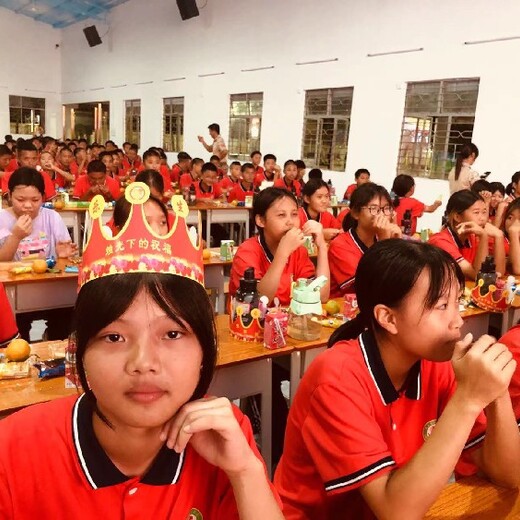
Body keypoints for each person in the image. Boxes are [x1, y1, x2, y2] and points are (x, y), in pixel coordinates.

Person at [0, 184, 283, 519]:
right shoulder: (15, 447)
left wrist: (246, 472)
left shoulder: (225, 435)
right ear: (78, 352)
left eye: (173, 333)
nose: (144, 364)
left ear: (206, 350)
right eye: (114, 338)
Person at [275, 239, 520, 519]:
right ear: (388, 318)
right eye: (441, 306)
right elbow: (396, 512)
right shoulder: (335, 378)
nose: (458, 321)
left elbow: (508, 476)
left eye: (458, 303)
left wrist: (496, 390)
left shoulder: (434, 363)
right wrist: (467, 400)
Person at [229, 187, 330, 306]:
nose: (290, 222)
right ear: (261, 220)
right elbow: (257, 304)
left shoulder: (299, 251)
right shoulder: (247, 251)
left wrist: (322, 247)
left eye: (294, 214)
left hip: (288, 322)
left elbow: (321, 296)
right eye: (281, 215)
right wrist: (283, 253)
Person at [328, 183, 401, 297]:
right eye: (374, 209)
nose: (381, 215)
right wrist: (384, 243)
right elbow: (366, 288)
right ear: (356, 213)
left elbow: (399, 282)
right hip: (343, 309)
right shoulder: (340, 245)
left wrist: (396, 245)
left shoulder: (383, 238)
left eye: (386, 209)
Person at [0, 168, 76, 262]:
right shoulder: (2, 219)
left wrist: (62, 257)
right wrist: (15, 237)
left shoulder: (52, 218)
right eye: (20, 200)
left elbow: (65, 261)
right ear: (10, 196)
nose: (28, 206)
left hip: (46, 276)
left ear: (43, 197)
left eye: (35, 200)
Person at [428, 190, 505, 280]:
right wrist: (483, 236)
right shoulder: (440, 241)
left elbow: (499, 272)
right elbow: (478, 277)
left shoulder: (471, 237)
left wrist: (499, 236)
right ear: (457, 217)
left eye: (484, 212)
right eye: (476, 212)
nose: (483, 218)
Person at [502, 198, 520, 275]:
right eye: (510, 218)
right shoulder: (501, 240)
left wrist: (514, 235)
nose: (514, 223)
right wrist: (514, 235)